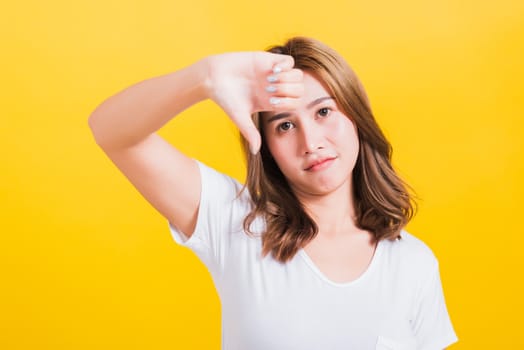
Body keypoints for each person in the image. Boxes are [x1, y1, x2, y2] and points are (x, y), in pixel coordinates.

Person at [88, 37, 458, 349]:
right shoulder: (235, 223)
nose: (310, 142)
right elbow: (110, 130)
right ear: (266, 145)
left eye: (324, 112)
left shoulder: (414, 263)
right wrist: (205, 78)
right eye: (284, 125)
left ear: (356, 117)